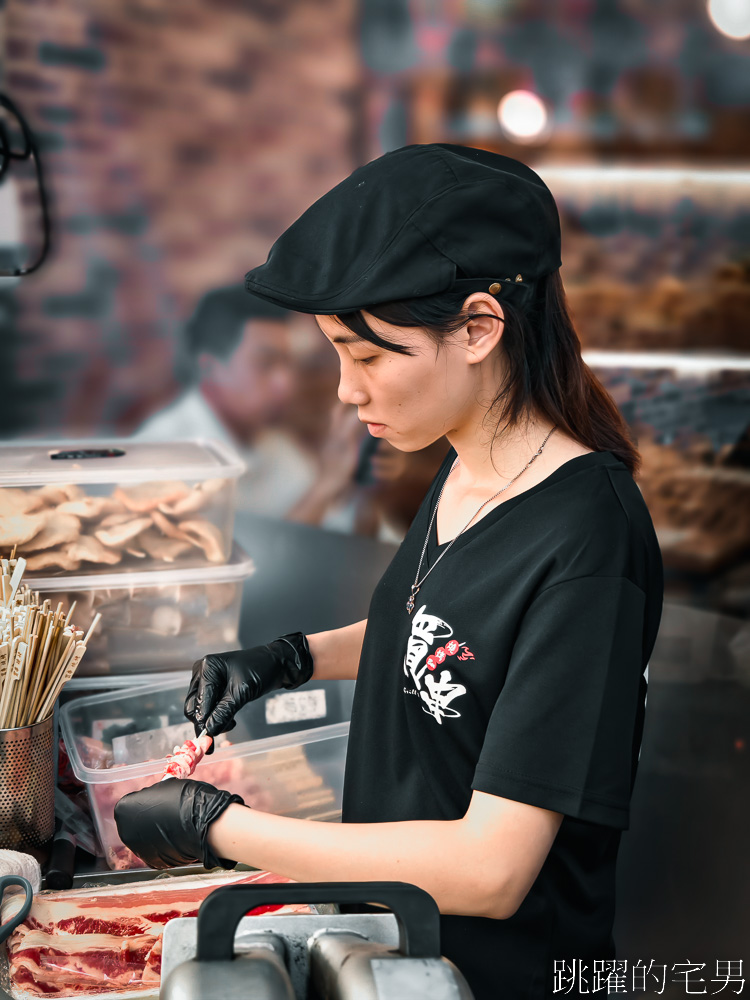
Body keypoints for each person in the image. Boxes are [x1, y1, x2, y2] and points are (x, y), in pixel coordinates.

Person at [115, 143, 664, 999]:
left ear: (480, 327)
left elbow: (489, 870)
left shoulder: (587, 539)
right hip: (392, 950)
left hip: (497, 977)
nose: (345, 390)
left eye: (368, 356)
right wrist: (291, 658)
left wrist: (221, 827)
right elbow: (451, 635)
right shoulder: (467, 461)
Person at [134, 285, 320, 517]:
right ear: (210, 368)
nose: (285, 383)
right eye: (266, 363)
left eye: (288, 363)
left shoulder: (280, 449)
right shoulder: (156, 458)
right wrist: (328, 486)